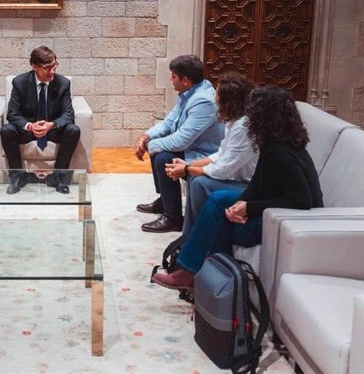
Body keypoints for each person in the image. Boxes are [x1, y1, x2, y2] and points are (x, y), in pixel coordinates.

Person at [152, 86, 324, 290]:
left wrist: (250, 208)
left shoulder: (279, 152)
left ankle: (197, 276)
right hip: (273, 210)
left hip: (284, 221)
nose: (248, 118)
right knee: (220, 201)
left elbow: (301, 201)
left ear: (263, 117)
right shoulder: (277, 142)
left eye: (252, 113)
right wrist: (243, 203)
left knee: (220, 220)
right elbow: (258, 183)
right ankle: (197, 275)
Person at [134, 55, 224, 233]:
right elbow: (169, 123)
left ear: (186, 80)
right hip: (192, 148)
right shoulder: (188, 93)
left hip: (206, 154)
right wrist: (145, 136)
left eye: (173, 76)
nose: (170, 79)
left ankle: (173, 218)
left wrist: (148, 145)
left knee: (163, 156)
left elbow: (182, 140)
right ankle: (165, 200)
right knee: (158, 148)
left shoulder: (203, 101)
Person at [165, 73, 258, 236]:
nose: (214, 97)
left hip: (248, 186)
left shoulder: (244, 127)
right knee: (194, 177)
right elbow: (220, 154)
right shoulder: (234, 122)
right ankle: (189, 235)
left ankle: (200, 235)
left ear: (229, 101)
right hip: (235, 178)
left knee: (199, 182)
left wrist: (186, 170)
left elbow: (222, 170)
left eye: (217, 93)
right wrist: (189, 165)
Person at [0, 46, 80, 194]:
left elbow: (68, 114)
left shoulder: (63, 83)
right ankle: (17, 176)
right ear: (34, 66)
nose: (52, 71)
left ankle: (60, 177)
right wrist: (29, 126)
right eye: (47, 68)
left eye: (54, 65)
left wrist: (51, 125)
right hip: (29, 130)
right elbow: (12, 114)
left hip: (52, 130)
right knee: (7, 130)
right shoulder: (20, 82)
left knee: (73, 130)